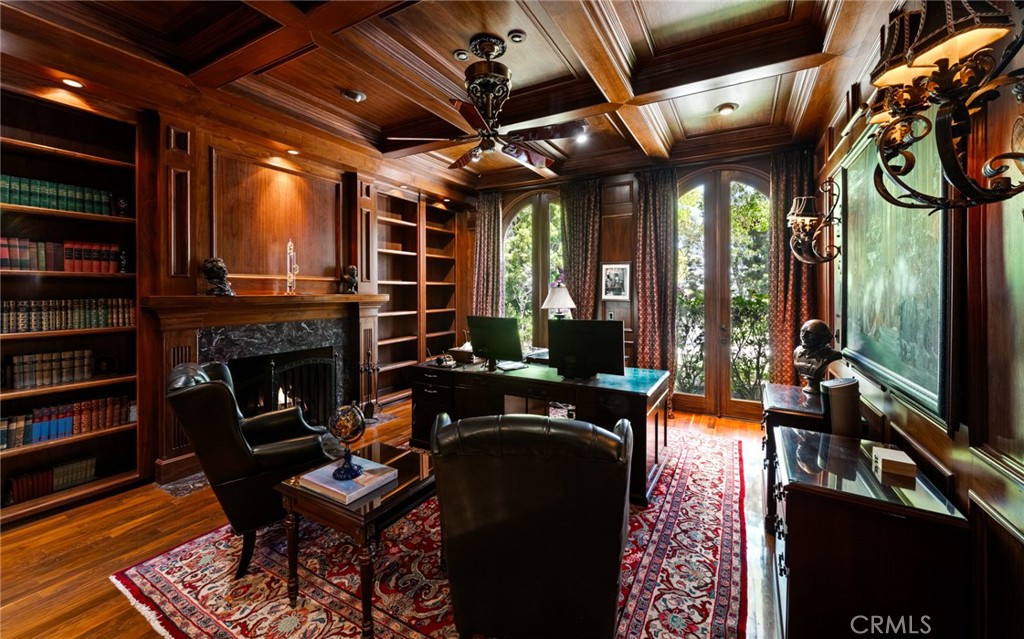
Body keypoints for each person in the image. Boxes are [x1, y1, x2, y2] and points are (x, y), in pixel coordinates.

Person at [793, 319, 841, 393]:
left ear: (823, 337)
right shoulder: (797, 351)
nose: (803, 336)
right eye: (802, 331)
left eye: (810, 333)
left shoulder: (831, 355)